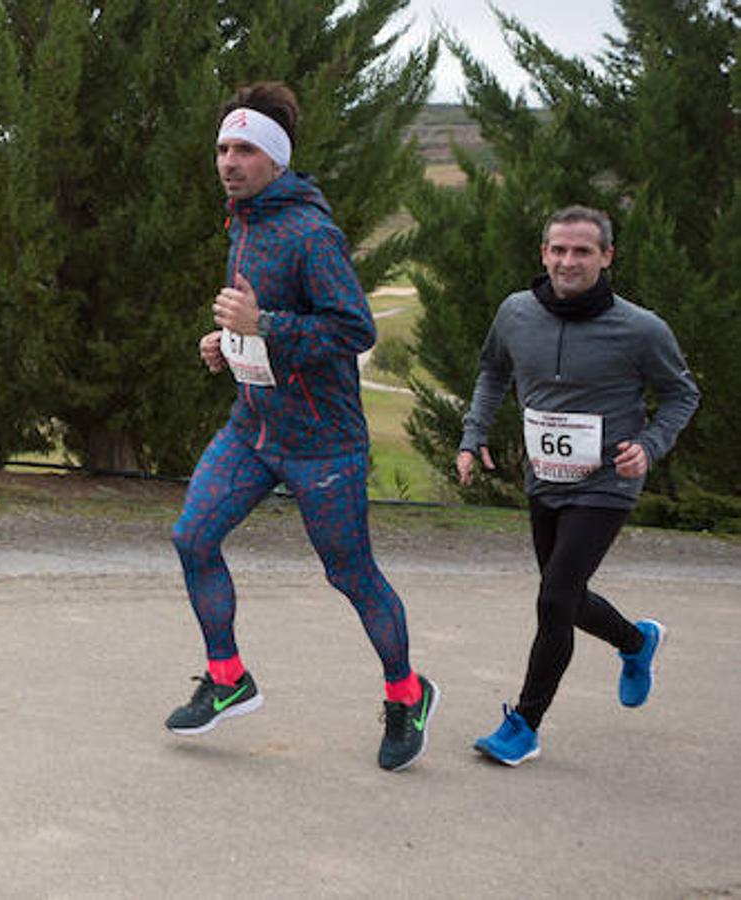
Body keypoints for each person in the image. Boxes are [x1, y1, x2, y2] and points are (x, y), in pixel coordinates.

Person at [166, 82, 437, 772]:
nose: (229, 160)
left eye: (246, 149)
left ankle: (408, 693)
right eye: (224, 146)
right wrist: (227, 342)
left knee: (349, 573)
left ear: (276, 159)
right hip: (254, 427)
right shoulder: (245, 219)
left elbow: (352, 328)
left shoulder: (311, 233)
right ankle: (228, 677)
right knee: (192, 536)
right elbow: (257, 319)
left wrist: (265, 327)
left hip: (324, 442)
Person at [461, 206, 700, 767]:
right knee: (564, 597)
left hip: (608, 482)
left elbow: (682, 394)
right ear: (544, 254)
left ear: (607, 257)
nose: (569, 261)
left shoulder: (642, 329)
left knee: (552, 599)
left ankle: (524, 724)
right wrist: (473, 435)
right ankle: (636, 642)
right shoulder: (516, 313)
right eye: (559, 250)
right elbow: (494, 371)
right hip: (545, 479)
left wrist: (651, 445)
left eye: (583, 251)